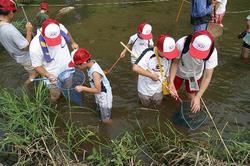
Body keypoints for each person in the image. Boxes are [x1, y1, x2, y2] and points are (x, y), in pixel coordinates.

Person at [168, 30, 218, 113]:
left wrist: (198, 97)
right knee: (172, 92)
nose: (196, 56)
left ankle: (191, 109)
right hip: (179, 72)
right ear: (191, 43)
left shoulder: (212, 52)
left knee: (191, 94)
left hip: (194, 75)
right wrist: (170, 82)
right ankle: (172, 107)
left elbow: (207, 76)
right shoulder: (181, 43)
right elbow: (175, 62)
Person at [29, 18, 79, 102]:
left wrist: (73, 42)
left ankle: (66, 98)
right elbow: (37, 65)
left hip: (67, 69)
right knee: (55, 95)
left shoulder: (60, 27)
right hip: (52, 76)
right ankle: (55, 106)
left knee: (68, 88)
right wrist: (48, 75)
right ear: (43, 33)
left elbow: (67, 33)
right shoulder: (34, 46)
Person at [132, 35, 179, 107]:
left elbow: (167, 74)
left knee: (158, 104)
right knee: (145, 105)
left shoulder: (169, 58)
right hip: (144, 89)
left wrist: (171, 85)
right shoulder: (148, 53)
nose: (170, 56)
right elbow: (135, 68)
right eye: (168, 54)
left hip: (158, 88)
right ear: (159, 50)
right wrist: (151, 76)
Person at [69, 48, 113, 123]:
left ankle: (112, 128)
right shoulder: (92, 63)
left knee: (105, 119)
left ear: (84, 63)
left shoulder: (94, 73)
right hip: (99, 93)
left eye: (77, 65)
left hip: (104, 95)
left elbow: (98, 90)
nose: (76, 67)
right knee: (99, 109)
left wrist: (83, 88)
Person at [0, 0, 37, 85]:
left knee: (32, 72)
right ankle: (24, 89)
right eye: (13, 11)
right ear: (10, 12)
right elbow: (26, 47)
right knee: (33, 75)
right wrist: (29, 31)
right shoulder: (9, 29)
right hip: (25, 57)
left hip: (17, 56)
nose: (13, 14)